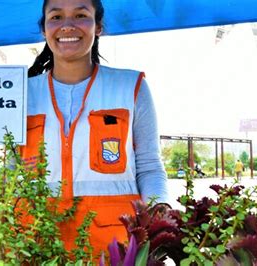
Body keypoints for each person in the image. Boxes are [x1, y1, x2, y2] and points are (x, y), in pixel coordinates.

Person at [21, 0, 168, 256]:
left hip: (114, 247)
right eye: (56, 17)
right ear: (44, 29)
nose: (67, 25)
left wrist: (159, 212)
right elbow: (14, 174)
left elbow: (149, 165)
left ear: (98, 27)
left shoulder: (130, 87)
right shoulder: (21, 93)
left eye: (80, 15)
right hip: (35, 243)